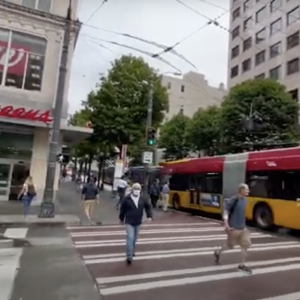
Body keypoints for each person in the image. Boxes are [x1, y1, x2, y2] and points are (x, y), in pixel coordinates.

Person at [213, 183, 252, 274]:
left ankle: (242, 265)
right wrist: (226, 224)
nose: (248, 191)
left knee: (245, 244)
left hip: (243, 228)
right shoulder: (234, 199)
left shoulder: (245, 200)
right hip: (233, 228)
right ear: (241, 190)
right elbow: (226, 210)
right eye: (246, 189)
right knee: (230, 246)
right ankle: (218, 252)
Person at [119, 182, 153, 265]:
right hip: (129, 221)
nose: (137, 191)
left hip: (138, 221)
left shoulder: (142, 198)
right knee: (130, 237)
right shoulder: (127, 199)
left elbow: (148, 206)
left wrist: (149, 216)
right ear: (132, 189)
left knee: (134, 238)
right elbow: (122, 209)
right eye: (135, 189)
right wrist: (121, 218)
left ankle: (132, 251)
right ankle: (129, 256)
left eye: (138, 189)